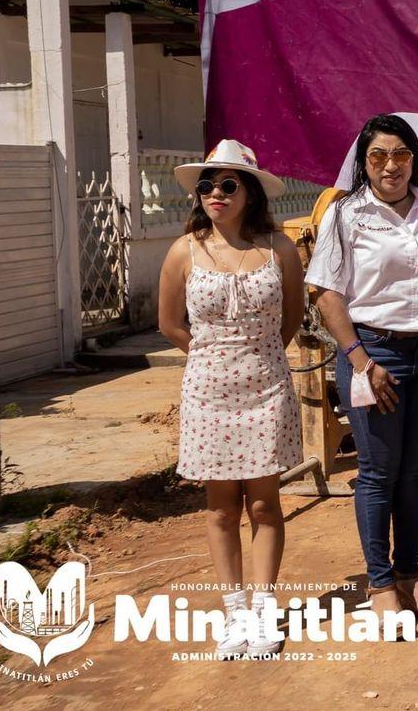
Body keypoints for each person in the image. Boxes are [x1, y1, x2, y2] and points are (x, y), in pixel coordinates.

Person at [307, 115, 418, 629]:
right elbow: (326, 293)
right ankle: (379, 584)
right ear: (363, 162)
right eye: (378, 156)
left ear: (414, 159)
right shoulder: (346, 214)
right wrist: (360, 362)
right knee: (377, 473)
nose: (390, 165)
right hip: (373, 355)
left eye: (400, 155)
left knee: (412, 473)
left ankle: (409, 574)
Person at [158, 139, 305, 659]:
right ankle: (235, 613)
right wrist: (212, 355)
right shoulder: (184, 251)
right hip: (208, 393)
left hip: (266, 388)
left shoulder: (278, 248)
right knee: (221, 510)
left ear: (250, 193)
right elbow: (170, 324)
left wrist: (258, 355)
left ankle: (264, 611)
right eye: (207, 185)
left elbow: (291, 318)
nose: (215, 194)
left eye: (227, 184)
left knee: (265, 503)